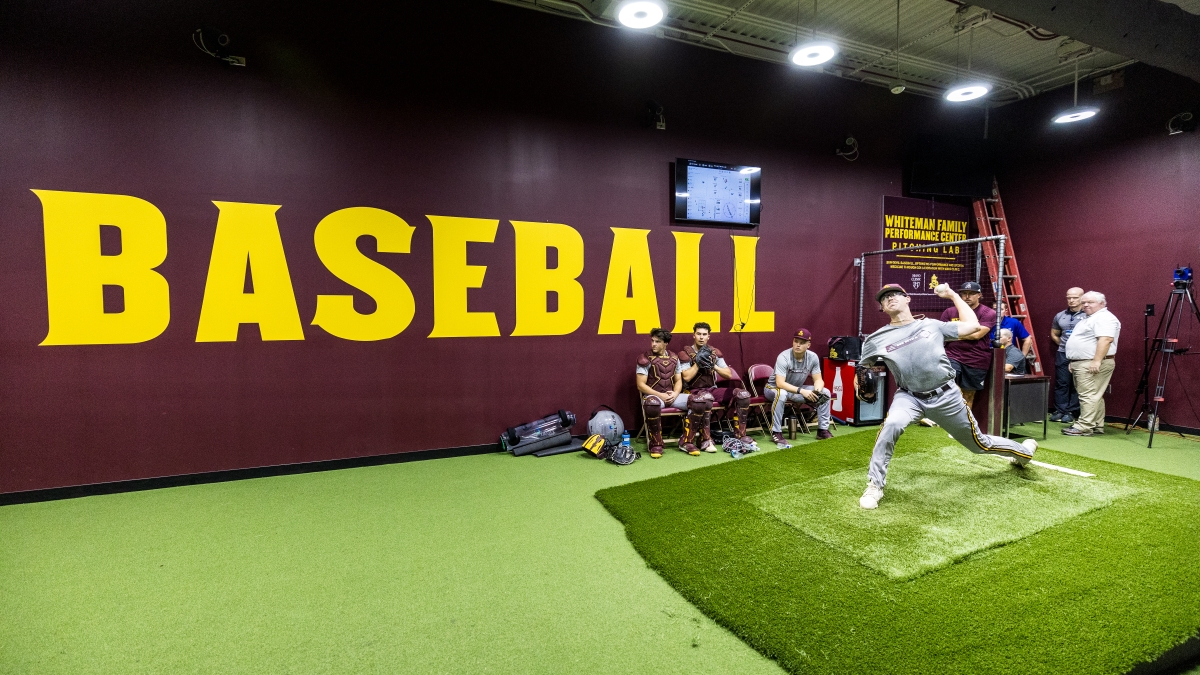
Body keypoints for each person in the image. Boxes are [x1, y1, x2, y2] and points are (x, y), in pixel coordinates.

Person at [854, 283, 1037, 510]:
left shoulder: (932, 325)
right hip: (909, 397)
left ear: (907, 298)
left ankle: (1024, 452)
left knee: (979, 444)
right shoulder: (876, 338)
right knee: (891, 424)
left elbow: (972, 326)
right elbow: (862, 368)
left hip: (946, 396)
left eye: (895, 295)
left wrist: (952, 295)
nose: (890, 299)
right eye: (884, 298)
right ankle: (874, 485)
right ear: (882, 308)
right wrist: (860, 387)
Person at [677, 322, 754, 451]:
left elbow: (728, 374)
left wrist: (714, 366)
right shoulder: (685, 354)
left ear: (709, 336)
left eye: (704, 334)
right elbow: (686, 377)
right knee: (706, 398)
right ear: (693, 335)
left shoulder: (714, 352)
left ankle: (740, 436)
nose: (701, 337)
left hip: (712, 389)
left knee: (743, 395)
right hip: (693, 391)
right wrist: (698, 363)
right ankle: (705, 439)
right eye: (699, 334)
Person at [636, 328, 711, 458]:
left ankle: (686, 441)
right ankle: (656, 443)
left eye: (657, 341)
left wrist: (675, 394)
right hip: (654, 396)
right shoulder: (645, 359)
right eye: (652, 341)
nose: (653, 344)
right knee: (651, 404)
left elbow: (678, 380)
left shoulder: (674, 358)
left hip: (671, 396)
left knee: (698, 402)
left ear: (665, 343)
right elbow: (640, 385)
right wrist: (661, 395)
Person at [1062, 291, 1120, 437]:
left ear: (1102, 303)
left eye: (1090, 302)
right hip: (1083, 362)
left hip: (1093, 362)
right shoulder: (1090, 318)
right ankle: (1096, 425)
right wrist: (1074, 361)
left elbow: (1105, 339)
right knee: (1094, 395)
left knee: (1088, 395)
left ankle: (1084, 426)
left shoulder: (1104, 318)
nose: (1086, 305)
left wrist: (1096, 360)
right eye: (1084, 302)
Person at [763, 329, 834, 447]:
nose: (798, 345)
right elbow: (780, 383)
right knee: (782, 394)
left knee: (825, 392)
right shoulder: (784, 357)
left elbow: (818, 379)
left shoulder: (813, 357)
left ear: (808, 345)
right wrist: (802, 391)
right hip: (773, 389)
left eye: (802, 342)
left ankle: (822, 430)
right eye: (796, 341)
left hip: (795, 389)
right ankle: (776, 433)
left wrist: (817, 390)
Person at [940, 281, 998, 408]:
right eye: (964, 293)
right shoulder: (949, 312)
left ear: (979, 295)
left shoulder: (988, 313)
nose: (967, 296)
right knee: (946, 385)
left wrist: (953, 333)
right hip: (952, 355)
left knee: (968, 395)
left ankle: (966, 425)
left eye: (971, 293)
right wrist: (966, 333)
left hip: (976, 360)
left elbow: (977, 335)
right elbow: (943, 335)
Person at [1049, 287, 1086, 424]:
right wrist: (1065, 346)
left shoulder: (1088, 315)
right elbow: (1054, 334)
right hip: (1063, 353)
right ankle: (1060, 410)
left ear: (1082, 298)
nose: (1071, 300)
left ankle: (1072, 411)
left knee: (1076, 383)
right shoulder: (1060, 315)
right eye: (1069, 297)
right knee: (1062, 382)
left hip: (1081, 355)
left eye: (1075, 297)